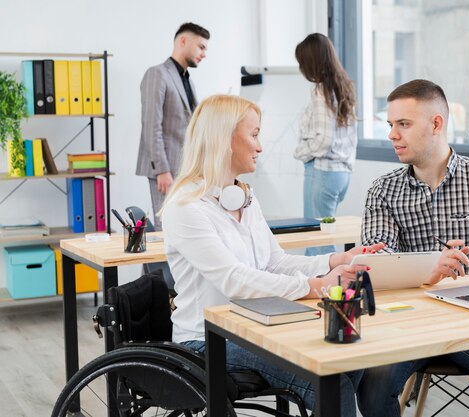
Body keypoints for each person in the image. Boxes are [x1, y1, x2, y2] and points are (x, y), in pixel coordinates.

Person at [160, 94, 384, 416]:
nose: (261, 146)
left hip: (257, 324)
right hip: (207, 340)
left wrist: (335, 262)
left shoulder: (243, 198)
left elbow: (274, 262)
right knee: (333, 384)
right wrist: (317, 285)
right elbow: (234, 281)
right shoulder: (186, 207)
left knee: (348, 359)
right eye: (254, 134)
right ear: (223, 138)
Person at [357, 79, 469, 417]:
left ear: (436, 124)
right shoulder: (383, 191)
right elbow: (374, 260)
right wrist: (427, 268)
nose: (392, 134)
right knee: (372, 386)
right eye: (390, 125)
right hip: (409, 321)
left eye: (403, 124)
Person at [136, 22, 210, 230]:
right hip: (166, 169)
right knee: (167, 229)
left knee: (185, 228)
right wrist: (162, 170)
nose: (204, 54)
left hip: (186, 168)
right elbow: (151, 125)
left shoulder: (188, 81)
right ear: (183, 41)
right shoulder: (157, 74)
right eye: (201, 47)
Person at [294, 33, 358, 255]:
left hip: (323, 172)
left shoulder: (321, 91)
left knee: (317, 238)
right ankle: (325, 285)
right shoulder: (343, 87)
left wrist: (300, 152)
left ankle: (325, 287)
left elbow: (323, 140)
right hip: (341, 174)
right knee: (324, 234)